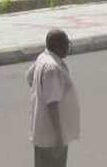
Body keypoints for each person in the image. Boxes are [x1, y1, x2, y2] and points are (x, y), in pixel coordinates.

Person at [27, 29, 80, 167]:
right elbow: (52, 104)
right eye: (66, 44)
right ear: (57, 45)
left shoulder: (43, 58)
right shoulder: (52, 68)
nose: (68, 47)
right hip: (51, 137)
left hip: (41, 133)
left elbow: (29, 78)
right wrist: (59, 136)